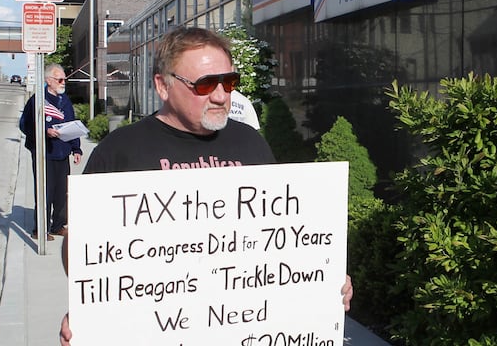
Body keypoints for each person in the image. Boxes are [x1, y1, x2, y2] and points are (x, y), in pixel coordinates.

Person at [59, 26, 352, 345]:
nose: (221, 95)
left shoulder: (251, 143)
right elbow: (82, 249)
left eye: (229, 82)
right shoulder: (119, 152)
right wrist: (90, 309)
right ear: (163, 86)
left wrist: (323, 280)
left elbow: (279, 241)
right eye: (205, 84)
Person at [19, 63, 83, 241]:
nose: (63, 82)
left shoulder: (65, 101)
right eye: (60, 79)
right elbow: (25, 124)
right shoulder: (37, 100)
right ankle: (40, 229)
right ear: (49, 80)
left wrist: (76, 148)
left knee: (62, 191)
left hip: (62, 152)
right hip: (43, 154)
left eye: (64, 79)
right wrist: (44, 131)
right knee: (45, 191)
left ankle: (58, 225)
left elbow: (71, 123)